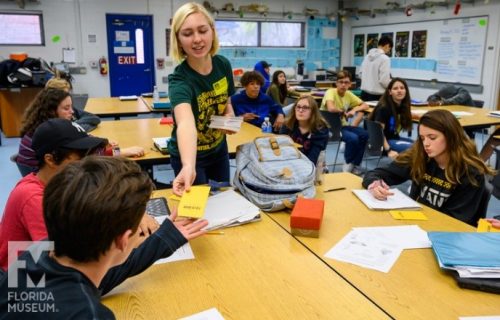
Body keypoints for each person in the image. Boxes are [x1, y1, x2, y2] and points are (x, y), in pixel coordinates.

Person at [0, 156, 208, 318]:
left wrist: (164, 238)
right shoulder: (89, 314)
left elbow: (94, 280)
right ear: (124, 239)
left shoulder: (33, 255)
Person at [0, 119, 108, 271]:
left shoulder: (60, 184)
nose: (87, 165)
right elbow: (62, 259)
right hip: (22, 280)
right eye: (80, 159)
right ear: (50, 159)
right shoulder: (33, 197)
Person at [362, 109, 495, 226]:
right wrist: (374, 185)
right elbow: (377, 174)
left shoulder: (470, 172)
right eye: (422, 138)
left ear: (451, 137)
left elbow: (453, 221)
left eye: (432, 138)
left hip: (445, 235)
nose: (426, 144)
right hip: (416, 223)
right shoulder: (421, 157)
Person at [168, 2, 236, 196]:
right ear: (179, 40)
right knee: (197, 212)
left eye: (202, 30)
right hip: (192, 156)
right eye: (187, 34)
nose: (197, 39)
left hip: (219, 150)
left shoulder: (223, 65)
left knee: (222, 201)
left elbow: (227, 103)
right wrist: (188, 165)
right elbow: (186, 123)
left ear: (212, 32)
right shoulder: (180, 80)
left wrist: (229, 117)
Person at [16, 88, 144, 176]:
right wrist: (122, 152)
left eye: (71, 107)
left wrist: (93, 141)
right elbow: (92, 156)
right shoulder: (52, 136)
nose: (72, 112)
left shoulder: (41, 128)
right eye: (66, 108)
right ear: (51, 111)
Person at [320, 70, 369, 174]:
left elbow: (365, 105)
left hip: (343, 126)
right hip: (331, 126)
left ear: (350, 84)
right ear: (336, 83)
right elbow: (331, 108)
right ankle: (347, 165)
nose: (343, 85)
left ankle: (355, 164)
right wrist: (343, 112)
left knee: (364, 134)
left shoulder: (348, 94)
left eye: (346, 82)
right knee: (353, 138)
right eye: (341, 82)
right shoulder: (330, 92)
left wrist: (353, 110)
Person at [368, 77, 414, 159]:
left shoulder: (402, 106)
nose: (399, 90)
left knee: (420, 145)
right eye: (395, 88)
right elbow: (378, 132)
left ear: (406, 91)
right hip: (383, 143)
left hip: (393, 138)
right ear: (390, 92)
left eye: (402, 88)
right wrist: (389, 150)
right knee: (414, 149)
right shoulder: (384, 108)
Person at [280, 96, 329, 166]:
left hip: (310, 166)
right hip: (287, 162)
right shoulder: (287, 124)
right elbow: (281, 148)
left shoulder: (320, 130)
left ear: (313, 111)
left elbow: (312, 160)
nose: (300, 110)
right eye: (298, 107)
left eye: (305, 107)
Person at [359, 35, 393, 102]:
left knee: (366, 112)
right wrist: (392, 86)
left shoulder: (367, 57)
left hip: (364, 94)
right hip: (378, 96)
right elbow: (384, 80)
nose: (388, 51)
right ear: (387, 45)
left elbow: (360, 75)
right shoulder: (385, 59)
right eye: (389, 49)